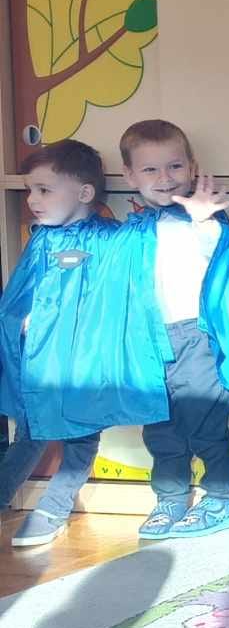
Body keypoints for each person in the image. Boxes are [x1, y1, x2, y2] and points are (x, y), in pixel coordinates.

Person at [0, 142, 159, 547]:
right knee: (31, 432)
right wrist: (24, 318)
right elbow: (20, 294)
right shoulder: (42, 240)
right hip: (43, 362)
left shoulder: (110, 239)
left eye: (44, 190)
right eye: (30, 190)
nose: (32, 200)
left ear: (85, 193)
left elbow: (132, 271)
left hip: (84, 361)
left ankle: (54, 507)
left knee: (82, 433)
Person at [118, 120, 229, 541]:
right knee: (159, 425)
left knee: (205, 421)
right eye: (150, 169)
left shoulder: (205, 220)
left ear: (193, 167)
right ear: (130, 175)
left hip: (196, 337)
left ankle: (221, 499)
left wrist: (203, 219)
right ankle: (170, 497)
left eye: (175, 166)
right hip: (150, 339)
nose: (165, 178)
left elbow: (220, 254)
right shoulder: (134, 229)